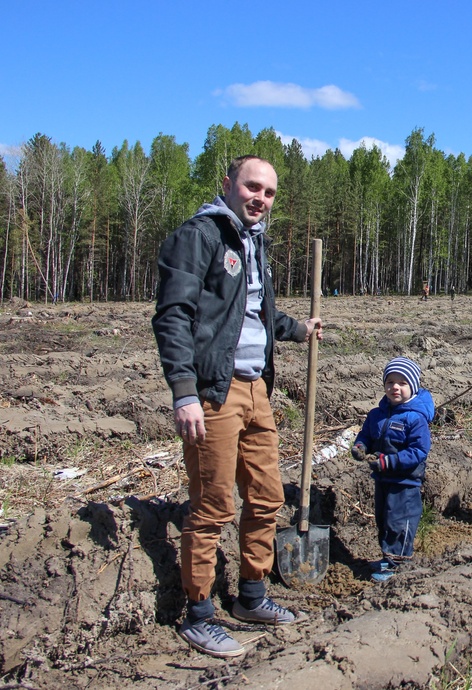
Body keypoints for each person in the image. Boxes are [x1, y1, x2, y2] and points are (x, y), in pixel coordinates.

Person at [152, 155, 323, 658]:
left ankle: (251, 594)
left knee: (267, 496)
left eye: (269, 193)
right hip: (215, 391)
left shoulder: (254, 242)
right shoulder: (200, 236)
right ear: (228, 184)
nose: (260, 199)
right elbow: (173, 316)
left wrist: (298, 329)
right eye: (252, 187)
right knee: (212, 506)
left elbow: (255, 312)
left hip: (256, 390)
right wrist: (185, 391)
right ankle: (199, 614)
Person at [351, 357, 434, 582]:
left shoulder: (415, 419)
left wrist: (390, 462)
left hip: (405, 482)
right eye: (390, 382)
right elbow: (366, 435)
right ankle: (388, 558)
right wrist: (361, 447)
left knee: (400, 521)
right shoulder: (376, 414)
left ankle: (398, 563)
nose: (395, 387)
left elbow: (418, 451)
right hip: (383, 479)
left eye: (402, 383)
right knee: (384, 519)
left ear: (413, 387)